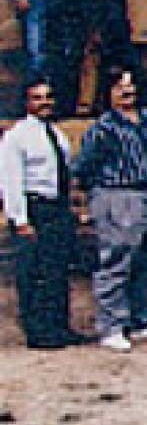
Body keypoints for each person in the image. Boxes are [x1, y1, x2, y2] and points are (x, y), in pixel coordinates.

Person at [75, 65, 147, 352]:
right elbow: (84, 167)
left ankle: (140, 320)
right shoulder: (102, 129)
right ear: (108, 93)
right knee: (116, 260)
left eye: (131, 85)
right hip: (118, 195)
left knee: (145, 261)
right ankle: (111, 326)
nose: (127, 92)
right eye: (119, 87)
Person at [1, 78, 84, 348]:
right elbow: (11, 180)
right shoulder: (17, 137)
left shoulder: (56, 134)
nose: (44, 103)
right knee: (33, 273)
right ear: (26, 102)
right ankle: (38, 332)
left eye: (48, 97)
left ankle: (59, 327)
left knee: (57, 270)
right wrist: (20, 219)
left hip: (56, 208)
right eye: (37, 98)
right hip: (34, 208)